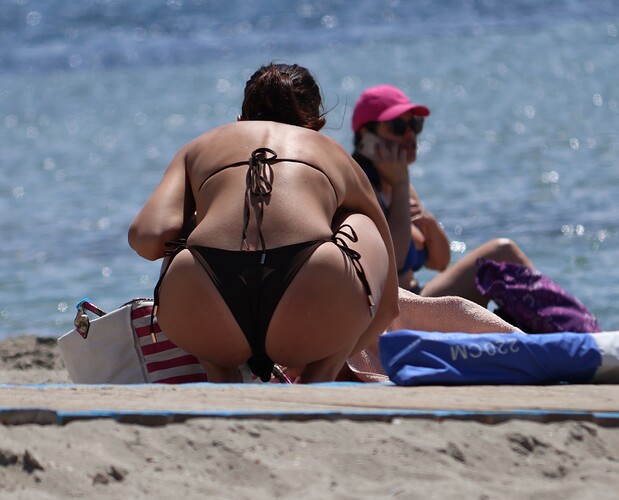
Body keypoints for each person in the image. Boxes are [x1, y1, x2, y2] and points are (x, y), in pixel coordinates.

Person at [128, 63, 400, 384]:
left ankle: (221, 375)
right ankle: (320, 375)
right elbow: (387, 305)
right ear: (318, 124)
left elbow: (148, 238)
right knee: (359, 219)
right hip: (313, 293)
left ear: (240, 120)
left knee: (184, 238)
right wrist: (334, 345)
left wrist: (201, 221)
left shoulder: (199, 147)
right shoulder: (333, 152)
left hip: (205, 303)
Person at [350, 84, 535, 306]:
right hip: (397, 309)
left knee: (503, 264)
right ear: (366, 136)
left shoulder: (403, 189)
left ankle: (562, 322)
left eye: (415, 125)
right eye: (397, 127)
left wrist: (431, 226)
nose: (410, 135)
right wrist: (400, 183)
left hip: (418, 295)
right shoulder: (362, 190)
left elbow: (439, 263)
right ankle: (568, 323)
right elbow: (394, 263)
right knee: (502, 251)